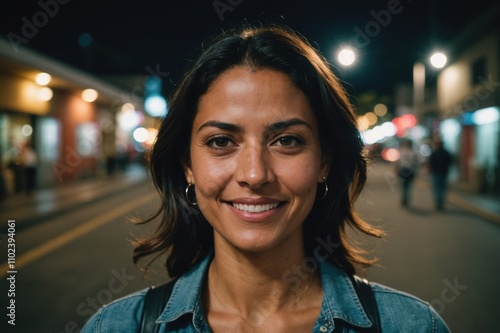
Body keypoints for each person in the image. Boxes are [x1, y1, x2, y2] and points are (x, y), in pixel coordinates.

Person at [82, 25, 450, 332]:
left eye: (287, 141)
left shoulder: (412, 325)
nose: (255, 174)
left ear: (324, 162)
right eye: (221, 141)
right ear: (187, 166)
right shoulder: (114, 326)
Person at [428, 139, 453, 210]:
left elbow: (430, 163)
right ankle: (439, 203)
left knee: (439, 189)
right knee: (440, 189)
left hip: (440, 173)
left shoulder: (437, 153)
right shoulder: (443, 153)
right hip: (439, 173)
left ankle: (439, 203)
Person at [395, 139, 420, 207]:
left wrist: (396, 168)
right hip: (409, 170)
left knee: (404, 185)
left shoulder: (403, 151)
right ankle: (405, 199)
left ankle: (404, 199)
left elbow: (398, 161)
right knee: (407, 186)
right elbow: (416, 162)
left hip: (404, 169)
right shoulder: (413, 152)